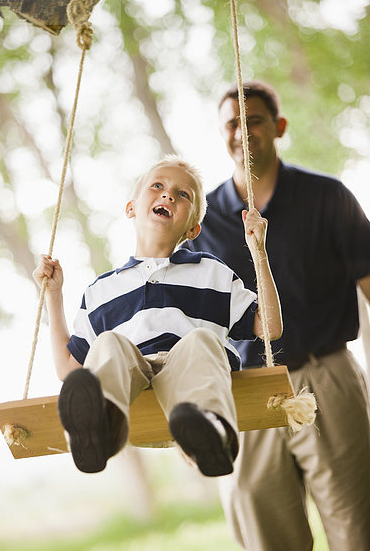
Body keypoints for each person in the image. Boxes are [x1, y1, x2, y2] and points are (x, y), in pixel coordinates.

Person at [186, 80, 370, 550]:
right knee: (265, 536)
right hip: (244, 393)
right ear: (220, 133)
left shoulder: (328, 196)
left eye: (255, 121)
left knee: (358, 527)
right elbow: (185, 326)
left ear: (279, 127)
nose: (243, 133)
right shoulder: (201, 226)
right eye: (232, 123)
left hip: (326, 376)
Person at [33, 156, 282, 477]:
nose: (168, 196)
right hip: (131, 377)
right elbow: (69, 368)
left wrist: (258, 251)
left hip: (190, 376)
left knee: (202, 342)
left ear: (193, 228)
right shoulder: (102, 289)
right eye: (158, 186)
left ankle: (210, 433)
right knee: (108, 345)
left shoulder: (211, 272)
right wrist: (54, 296)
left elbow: (270, 327)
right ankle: (98, 427)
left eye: (183, 195)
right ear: (131, 207)